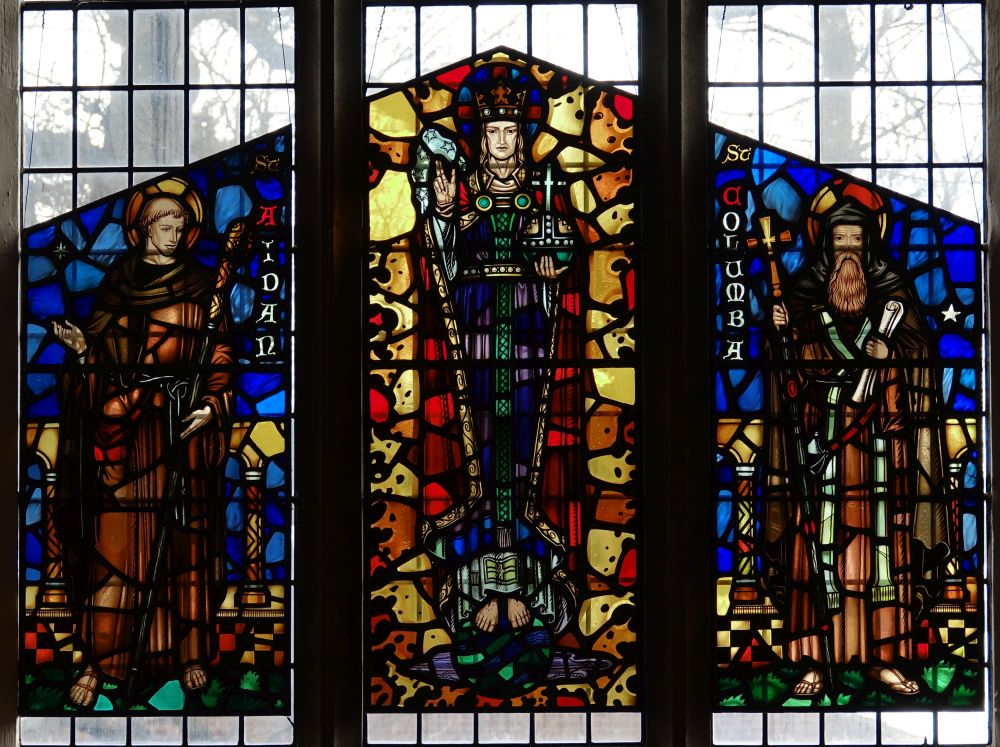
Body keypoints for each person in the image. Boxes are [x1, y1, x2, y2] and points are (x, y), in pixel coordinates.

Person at [413, 63, 583, 689]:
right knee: (481, 456)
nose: (504, 142)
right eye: (494, 133)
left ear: (523, 136)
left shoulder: (543, 193)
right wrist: (439, 213)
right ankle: (480, 585)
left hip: (532, 336)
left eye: (512, 131)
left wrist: (553, 270)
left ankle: (526, 591)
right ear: (481, 139)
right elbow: (440, 260)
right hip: (478, 336)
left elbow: (565, 256)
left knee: (523, 461)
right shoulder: (461, 200)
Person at [764, 199, 953, 696]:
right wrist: (781, 333)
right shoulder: (804, 297)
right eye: (839, 240)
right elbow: (788, 374)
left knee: (883, 550)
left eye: (855, 239)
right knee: (817, 545)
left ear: (869, 242)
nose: (847, 249)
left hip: (878, 449)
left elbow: (919, 356)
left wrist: (891, 356)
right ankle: (814, 660)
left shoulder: (892, 295)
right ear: (826, 243)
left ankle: (884, 658)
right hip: (822, 444)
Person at [52, 194, 233, 707]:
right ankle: (97, 660)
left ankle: (189, 655)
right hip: (128, 440)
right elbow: (101, 361)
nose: (176, 235)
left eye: (183, 226)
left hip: (182, 434)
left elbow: (220, 353)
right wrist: (84, 352)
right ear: (143, 229)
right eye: (167, 225)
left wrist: (212, 406)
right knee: (114, 550)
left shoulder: (202, 287)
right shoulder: (118, 288)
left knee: (186, 548)